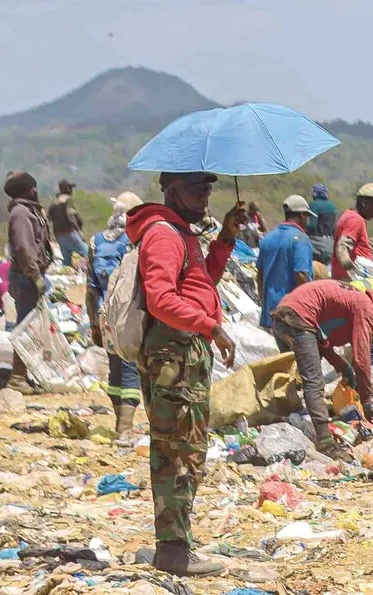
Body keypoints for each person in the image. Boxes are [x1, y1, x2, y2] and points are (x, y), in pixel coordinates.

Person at [126, 171, 242, 577]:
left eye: (209, 187)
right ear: (171, 189)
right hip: (175, 354)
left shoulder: (183, 233)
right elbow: (161, 299)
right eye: (197, 186)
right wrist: (212, 327)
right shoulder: (163, 234)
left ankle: (175, 543)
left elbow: (200, 283)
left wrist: (225, 238)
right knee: (180, 450)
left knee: (183, 446)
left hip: (185, 352)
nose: (206, 193)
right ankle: (174, 551)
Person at [271, 280, 373, 460]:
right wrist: (367, 401)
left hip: (282, 315)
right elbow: (362, 358)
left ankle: (285, 428)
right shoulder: (368, 308)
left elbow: (322, 344)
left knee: (291, 381)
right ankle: (325, 442)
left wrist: (344, 368)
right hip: (298, 317)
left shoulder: (350, 301)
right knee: (314, 382)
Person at [87, 192, 143, 439]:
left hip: (103, 314)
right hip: (127, 314)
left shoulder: (96, 241)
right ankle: (125, 429)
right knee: (130, 366)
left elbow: (91, 287)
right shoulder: (134, 241)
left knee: (115, 370)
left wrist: (94, 323)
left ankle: (120, 423)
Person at [5, 171, 53, 394]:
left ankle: (25, 375)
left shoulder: (31, 212)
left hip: (30, 275)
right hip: (26, 277)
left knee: (32, 326)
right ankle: (17, 378)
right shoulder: (21, 214)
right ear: (30, 189)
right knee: (25, 326)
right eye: (34, 187)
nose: (37, 190)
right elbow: (24, 249)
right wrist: (35, 277)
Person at [257, 195, 315, 329]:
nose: (307, 220)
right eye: (306, 216)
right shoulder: (300, 239)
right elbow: (301, 275)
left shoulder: (267, 239)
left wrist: (265, 304)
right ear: (301, 215)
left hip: (270, 315)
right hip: (292, 315)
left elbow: (260, 277)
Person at [331, 183, 373, 280]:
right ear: (365, 203)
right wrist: (350, 267)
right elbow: (343, 246)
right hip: (353, 280)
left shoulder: (347, 215)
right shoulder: (355, 220)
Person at [48, 179, 88, 269]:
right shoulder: (67, 199)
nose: (71, 190)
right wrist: (79, 231)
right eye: (70, 188)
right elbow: (71, 217)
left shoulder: (54, 202)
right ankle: (86, 273)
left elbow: (50, 218)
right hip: (70, 232)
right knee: (85, 251)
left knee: (66, 261)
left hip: (59, 235)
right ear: (66, 188)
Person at [308, 183, 337, 264]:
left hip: (316, 244)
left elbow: (312, 225)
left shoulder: (314, 205)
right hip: (330, 243)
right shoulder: (332, 206)